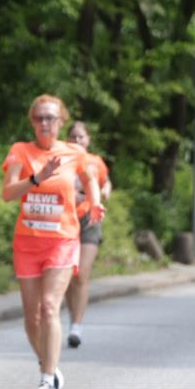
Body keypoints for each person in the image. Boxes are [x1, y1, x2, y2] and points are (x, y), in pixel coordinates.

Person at [1, 95, 103, 389]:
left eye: (51, 118)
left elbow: (91, 177)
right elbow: (7, 192)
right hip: (27, 242)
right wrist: (36, 178)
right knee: (32, 317)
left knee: (49, 307)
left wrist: (95, 201)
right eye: (39, 118)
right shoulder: (20, 151)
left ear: (61, 122)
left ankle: (47, 379)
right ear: (32, 122)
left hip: (62, 239)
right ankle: (49, 364)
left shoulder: (75, 152)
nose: (45, 123)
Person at [62, 121, 111, 348]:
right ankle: (73, 316)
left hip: (89, 221)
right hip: (64, 220)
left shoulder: (96, 162)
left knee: (81, 274)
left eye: (81, 137)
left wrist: (104, 191)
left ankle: (76, 326)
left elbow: (105, 182)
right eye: (73, 137)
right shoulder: (60, 159)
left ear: (88, 140)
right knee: (68, 277)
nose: (77, 141)